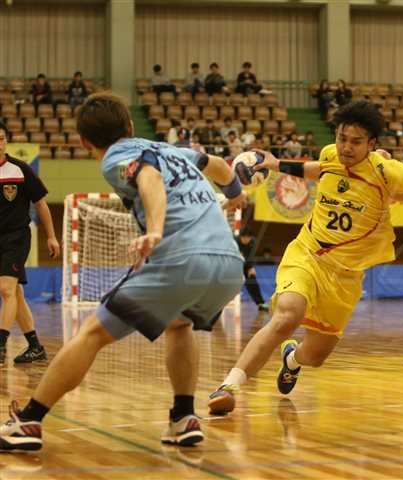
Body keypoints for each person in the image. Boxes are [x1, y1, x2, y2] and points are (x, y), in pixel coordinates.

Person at [0, 92, 246, 452]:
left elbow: (148, 176)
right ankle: (183, 417)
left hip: (181, 258)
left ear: (85, 143)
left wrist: (156, 230)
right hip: (230, 266)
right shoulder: (172, 149)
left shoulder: (116, 157)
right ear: (130, 126)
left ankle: (29, 421)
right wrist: (236, 193)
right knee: (179, 324)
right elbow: (220, 166)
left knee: (91, 333)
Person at [207, 100, 403, 415]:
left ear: (372, 144)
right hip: (308, 254)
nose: (346, 148)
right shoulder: (330, 154)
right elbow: (318, 168)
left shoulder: (385, 171)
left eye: (356, 142)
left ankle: (292, 360)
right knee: (287, 316)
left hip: (345, 276)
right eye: (342, 138)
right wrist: (275, 163)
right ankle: (228, 385)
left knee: (315, 356)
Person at [0, 121, 61, 366]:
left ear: (6, 141)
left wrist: (51, 236)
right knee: (15, 292)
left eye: (1, 138)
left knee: (6, 289)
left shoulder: (20, 169)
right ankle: (35, 347)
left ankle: (0, 347)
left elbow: (41, 204)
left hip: (16, 237)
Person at [235, 227, 269, 312]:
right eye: (244, 237)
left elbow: (251, 256)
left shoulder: (253, 242)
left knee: (253, 282)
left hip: (246, 264)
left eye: (248, 237)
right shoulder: (234, 241)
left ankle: (261, 303)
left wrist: (251, 268)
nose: (246, 239)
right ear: (240, 236)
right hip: (234, 264)